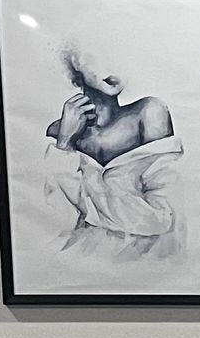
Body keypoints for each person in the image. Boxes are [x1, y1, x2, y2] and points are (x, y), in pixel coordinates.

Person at [42, 49, 184, 257]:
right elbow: (56, 221)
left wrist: (87, 203)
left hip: (148, 264)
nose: (115, 66)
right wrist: (64, 144)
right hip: (76, 265)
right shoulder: (58, 131)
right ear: (74, 62)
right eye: (98, 53)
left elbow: (161, 218)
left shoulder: (149, 113)